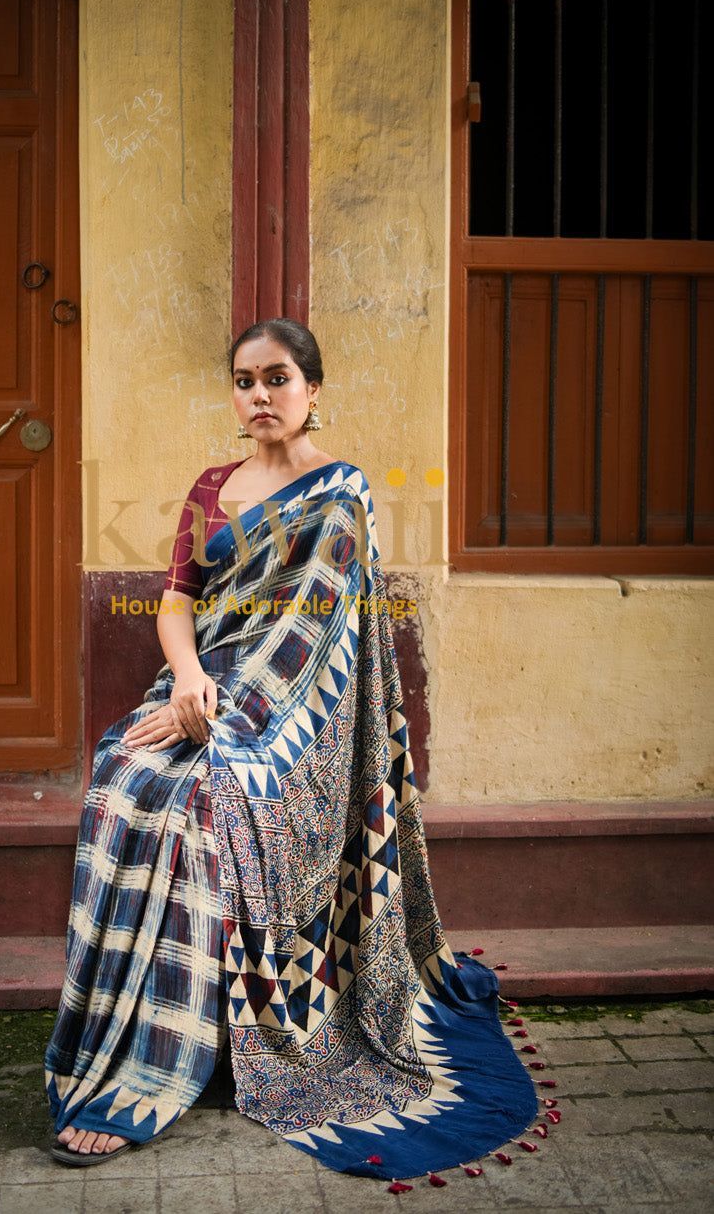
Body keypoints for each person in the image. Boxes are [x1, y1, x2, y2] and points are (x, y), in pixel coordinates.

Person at [44, 318, 542, 1183]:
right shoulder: (212, 485)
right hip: (204, 682)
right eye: (245, 381)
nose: (260, 396)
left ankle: (163, 1062)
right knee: (122, 773)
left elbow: (319, 645)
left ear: (314, 388)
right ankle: (117, 1033)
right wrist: (192, 681)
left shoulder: (340, 495)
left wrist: (233, 717)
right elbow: (176, 598)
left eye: (278, 379)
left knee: (208, 802)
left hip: (291, 721)